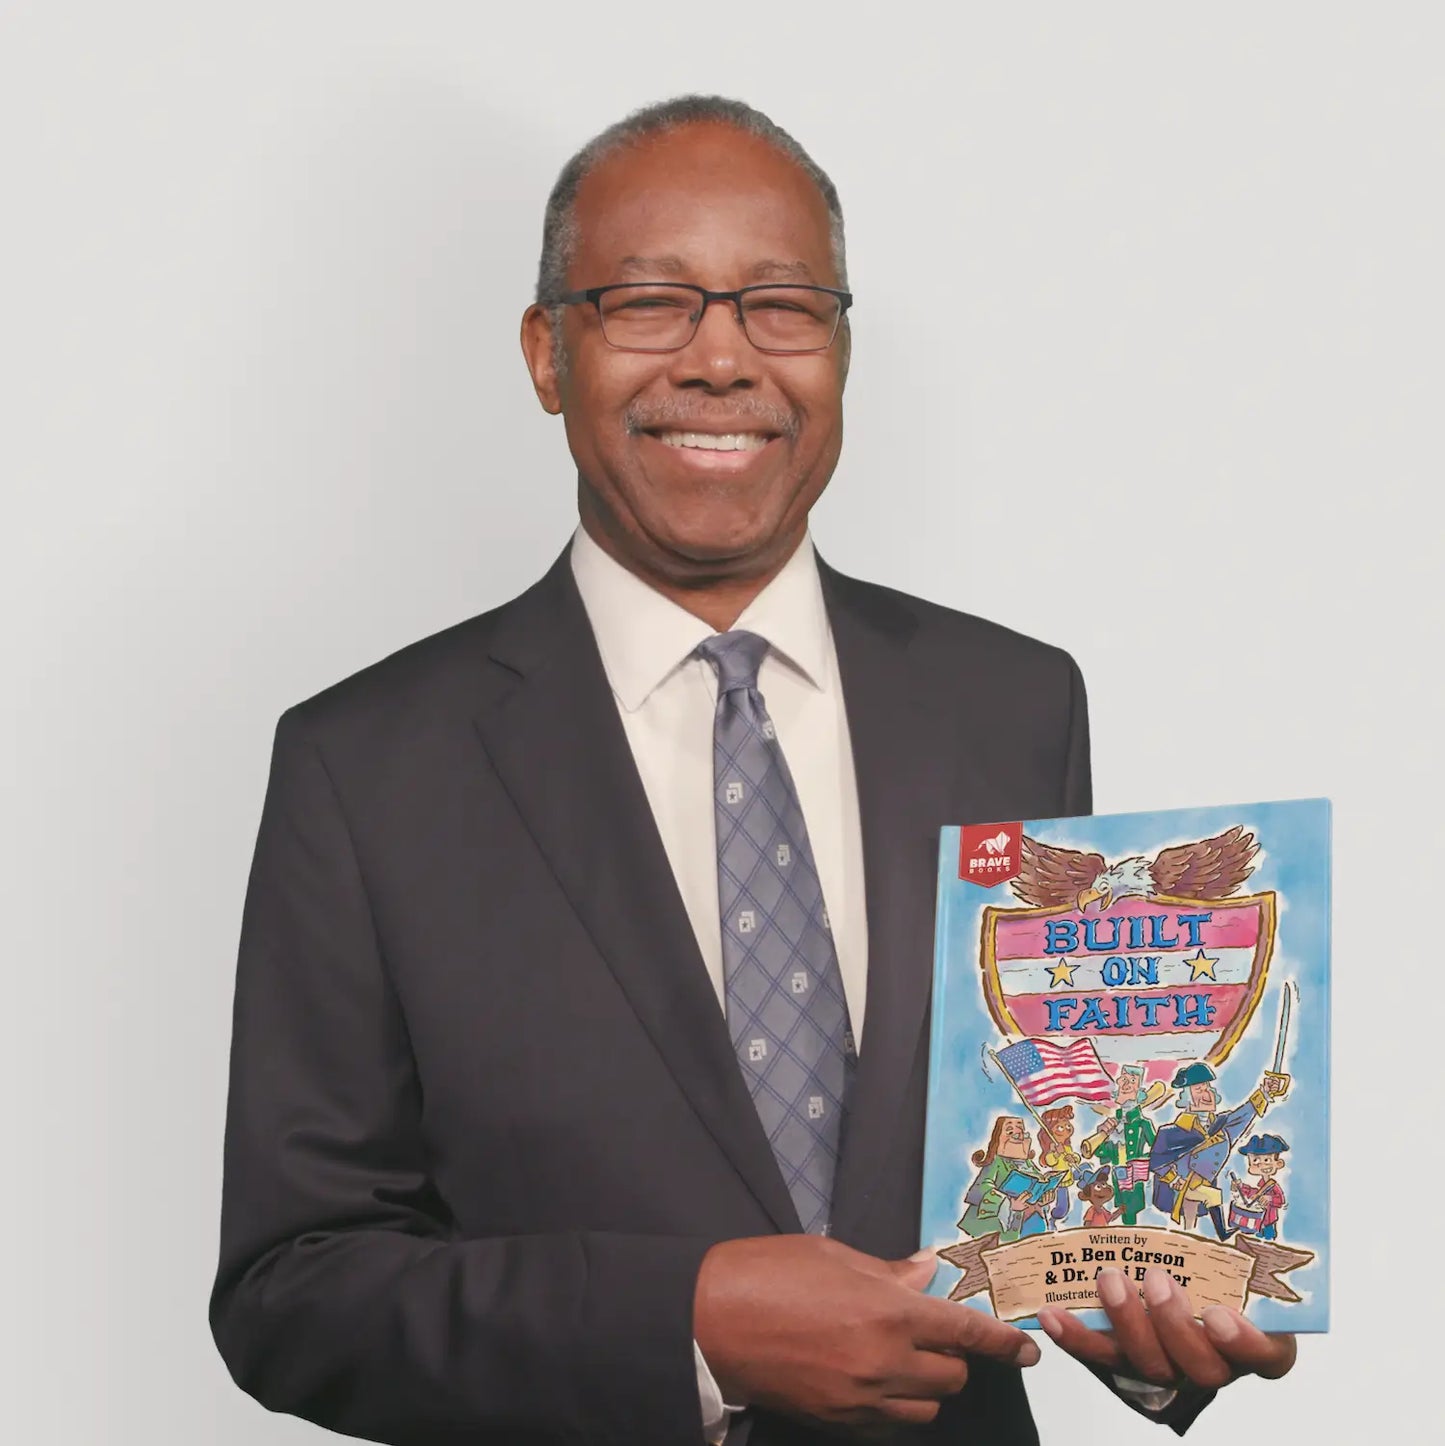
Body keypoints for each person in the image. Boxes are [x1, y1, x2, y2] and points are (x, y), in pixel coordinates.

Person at [210, 94, 1297, 1446]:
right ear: (549, 352)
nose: (722, 360)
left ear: (839, 353)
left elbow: (1047, 1178)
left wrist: (1157, 1329)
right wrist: (690, 1319)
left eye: (780, 305)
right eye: (650, 301)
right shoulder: (365, 767)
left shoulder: (1011, 703)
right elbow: (292, 1291)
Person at [1149, 1062, 1291, 1239]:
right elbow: (1156, 1162)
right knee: (1207, 1197)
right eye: (1199, 1090)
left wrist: (1265, 1092)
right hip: (1179, 1187)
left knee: (1193, 1209)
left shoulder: (1220, 1126)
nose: (1207, 1094)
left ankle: (1190, 1234)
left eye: (1207, 1088)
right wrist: (1174, 1179)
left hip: (1200, 1183)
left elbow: (1244, 1114)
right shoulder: (1170, 1132)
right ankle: (1217, 1233)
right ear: (1186, 1097)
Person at [1080, 1064, 1159, 1227]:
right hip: (1117, 1173)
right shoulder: (1112, 1123)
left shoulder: (1142, 1123)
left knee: (1130, 1210)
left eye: (1132, 1080)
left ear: (1140, 1093)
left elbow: (1157, 1149)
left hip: (1134, 1174)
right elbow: (1103, 1153)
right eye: (1123, 1079)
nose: (1126, 1084)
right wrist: (1102, 1134)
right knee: (1121, 1208)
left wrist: (1143, 1162)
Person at [1229, 1134, 1290, 1241]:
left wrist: (1269, 1199)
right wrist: (1240, 1187)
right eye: (1256, 1161)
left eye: (1266, 1160)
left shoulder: (1273, 1185)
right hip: (1258, 1220)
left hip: (1268, 1222)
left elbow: (1280, 1200)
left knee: (1268, 1240)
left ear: (1278, 1163)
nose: (1261, 1165)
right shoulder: (1261, 1184)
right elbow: (1254, 1193)